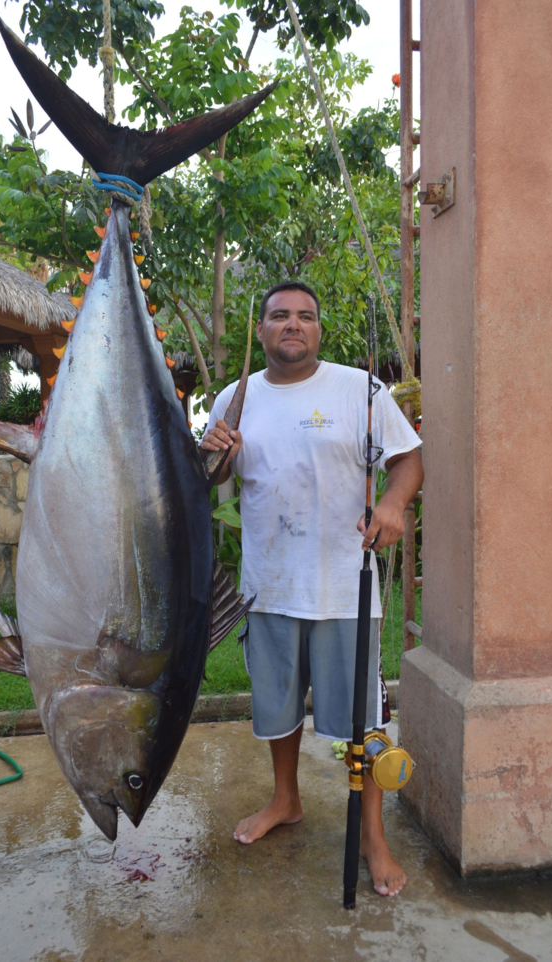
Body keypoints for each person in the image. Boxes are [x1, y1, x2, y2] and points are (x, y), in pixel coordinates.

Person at [201, 281, 423, 898]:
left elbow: (408, 458)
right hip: (269, 585)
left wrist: (393, 504)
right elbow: (213, 477)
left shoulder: (360, 389)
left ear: (319, 329)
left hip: (345, 585)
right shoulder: (234, 399)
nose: (292, 324)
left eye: (304, 316)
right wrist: (213, 454)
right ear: (262, 330)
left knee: (362, 720)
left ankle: (372, 835)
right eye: (279, 316)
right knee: (276, 708)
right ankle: (286, 800)